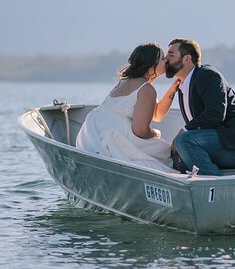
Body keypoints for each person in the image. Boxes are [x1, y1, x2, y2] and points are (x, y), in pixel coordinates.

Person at [165, 38, 235, 176]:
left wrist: (184, 131)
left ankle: (213, 184)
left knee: (183, 141)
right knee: (178, 147)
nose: (165, 59)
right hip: (223, 144)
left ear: (186, 59)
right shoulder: (183, 85)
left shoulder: (207, 75)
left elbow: (215, 114)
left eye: (170, 55)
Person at [75, 42, 182, 172]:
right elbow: (140, 131)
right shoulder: (146, 89)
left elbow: (157, 115)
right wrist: (156, 133)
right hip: (115, 133)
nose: (166, 61)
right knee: (166, 152)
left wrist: (172, 90)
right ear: (150, 65)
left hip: (94, 128)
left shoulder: (125, 81)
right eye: (162, 58)